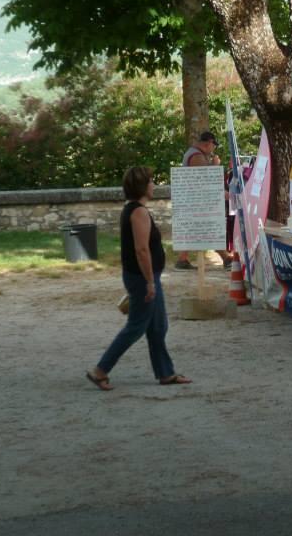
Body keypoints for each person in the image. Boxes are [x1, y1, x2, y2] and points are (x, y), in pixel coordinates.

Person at [86, 166, 191, 391]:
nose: (154, 185)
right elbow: (141, 250)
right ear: (143, 186)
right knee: (136, 326)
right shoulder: (138, 212)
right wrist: (150, 282)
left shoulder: (134, 209)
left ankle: (166, 373)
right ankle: (100, 370)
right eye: (151, 182)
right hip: (143, 278)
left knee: (158, 326)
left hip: (146, 276)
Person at [176, 130, 231, 270]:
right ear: (209, 143)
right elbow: (204, 178)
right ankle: (225, 258)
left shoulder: (195, 153)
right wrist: (215, 165)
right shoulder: (196, 156)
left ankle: (182, 260)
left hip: (194, 200)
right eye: (214, 146)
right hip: (197, 201)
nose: (214, 149)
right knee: (209, 227)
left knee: (193, 230)